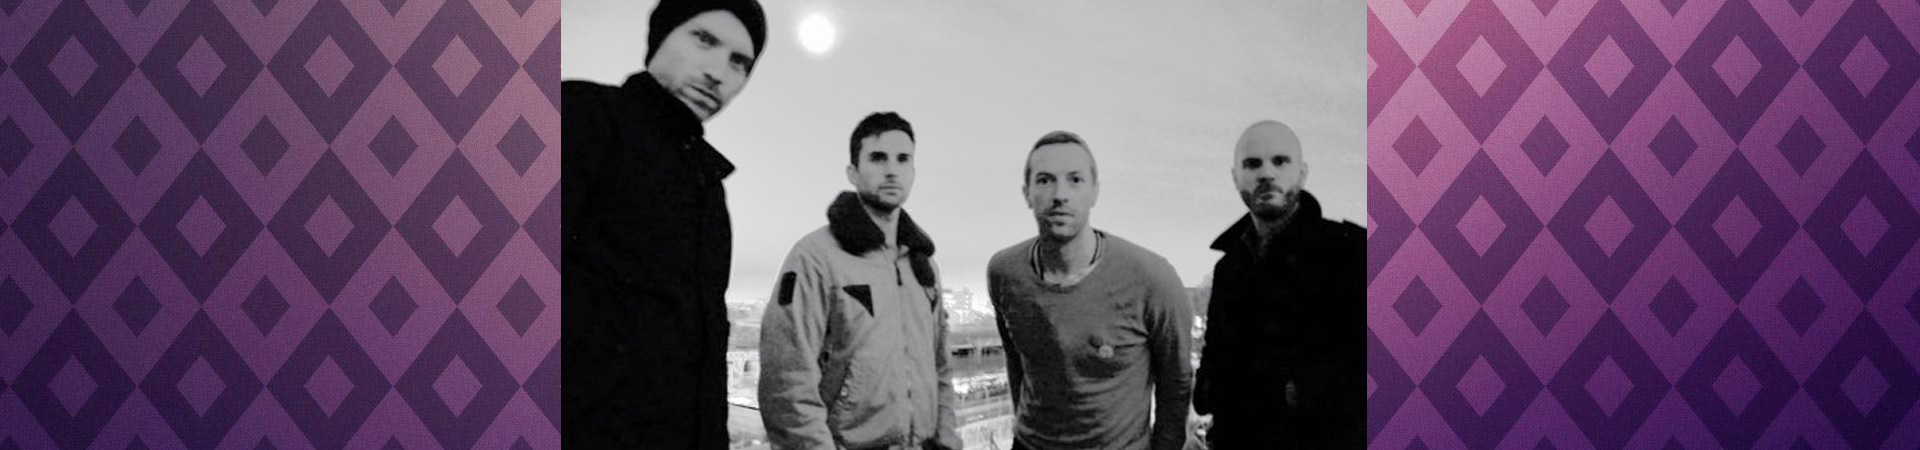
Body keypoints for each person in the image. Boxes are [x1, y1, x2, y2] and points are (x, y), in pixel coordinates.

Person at [559, 0, 766, 448]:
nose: (718, 73)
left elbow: (702, 358)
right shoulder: (579, 118)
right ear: (660, 37)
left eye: (739, 62)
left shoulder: (709, 185)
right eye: (704, 39)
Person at [759, 112, 964, 450]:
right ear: (853, 172)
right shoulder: (815, 257)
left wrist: (948, 439)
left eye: (903, 159)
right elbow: (788, 380)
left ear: (913, 172)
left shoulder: (923, 266)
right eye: (878, 158)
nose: (892, 170)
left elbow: (941, 367)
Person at [987, 131, 1193, 450]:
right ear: (1027, 193)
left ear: (1095, 191)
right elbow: (1017, 360)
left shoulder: (1152, 278)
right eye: (1045, 180)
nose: (1060, 195)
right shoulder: (1004, 272)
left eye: (1075, 180)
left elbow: (1176, 385)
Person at [1192, 120, 1365, 449]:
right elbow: (1213, 361)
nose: (1266, 173)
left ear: (1302, 173)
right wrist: (1211, 390)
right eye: (1252, 164)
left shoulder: (1350, 252)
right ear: (1235, 177)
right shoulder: (1229, 267)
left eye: (1280, 161)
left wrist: (1298, 391)